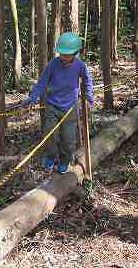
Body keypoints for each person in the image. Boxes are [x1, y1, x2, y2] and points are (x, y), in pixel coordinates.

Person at [22, 32, 94, 174]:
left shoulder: (80, 65)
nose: (64, 57)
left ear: (75, 53)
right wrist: (33, 96)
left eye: (67, 55)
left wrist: (89, 97)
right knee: (50, 134)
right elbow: (42, 82)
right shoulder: (53, 64)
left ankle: (64, 160)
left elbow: (87, 80)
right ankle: (50, 157)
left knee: (68, 138)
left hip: (70, 108)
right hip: (52, 106)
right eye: (61, 54)